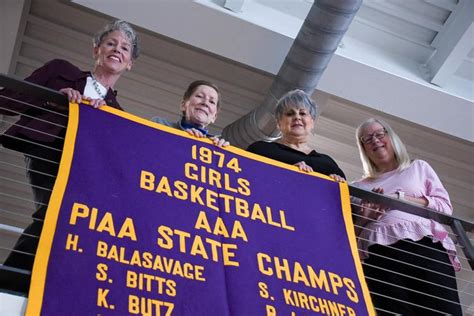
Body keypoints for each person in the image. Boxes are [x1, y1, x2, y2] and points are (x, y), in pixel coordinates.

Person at [0, 20, 140, 293]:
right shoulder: (60, 71)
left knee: (66, 218)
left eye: (125, 48)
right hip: (49, 151)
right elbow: (6, 102)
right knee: (56, 206)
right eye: (111, 43)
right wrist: (52, 98)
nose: (117, 50)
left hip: (84, 170)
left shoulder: (119, 114)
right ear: (96, 49)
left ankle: (35, 284)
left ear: (130, 63)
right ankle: (10, 282)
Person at [352, 118, 462, 315]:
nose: (375, 140)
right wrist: (366, 218)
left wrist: (399, 198)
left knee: (442, 309)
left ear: (390, 137)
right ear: (364, 149)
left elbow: (444, 208)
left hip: (425, 247)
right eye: (367, 139)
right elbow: (348, 237)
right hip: (379, 254)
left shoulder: (418, 167)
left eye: (379, 134)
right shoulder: (357, 187)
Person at [247, 89, 345, 181]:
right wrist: (288, 173)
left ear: (312, 122)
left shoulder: (328, 164)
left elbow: (346, 196)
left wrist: (336, 184)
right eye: (290, 114)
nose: (297, 117)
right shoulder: (261, 150)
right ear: (278, 123)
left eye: (302, 113)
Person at [151, 80, 229, 147]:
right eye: (199, 96)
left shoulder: (216, 145)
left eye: (212, 102)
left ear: (214, 117)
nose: (205, 103)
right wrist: (183, 138)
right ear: (183, 105)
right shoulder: (159, 124)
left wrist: (223, 152)